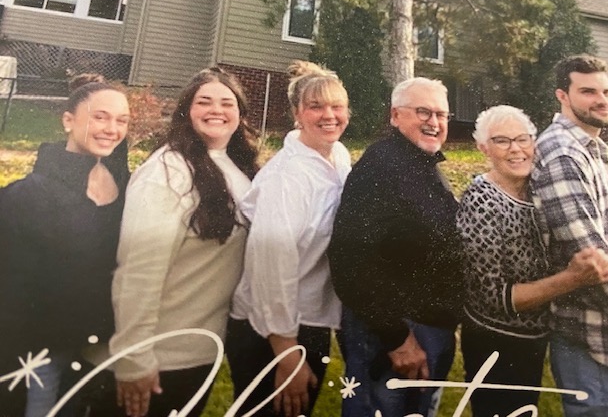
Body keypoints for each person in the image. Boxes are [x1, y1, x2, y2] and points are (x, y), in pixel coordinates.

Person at [108, 67, 259, 417]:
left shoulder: (237, 169)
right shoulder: (167, 172)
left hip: (201, 351)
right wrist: (135, 357)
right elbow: (139, 271)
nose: (216, 110)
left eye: (227, 103)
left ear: (239, 113)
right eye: (203, 101)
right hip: (160, 356)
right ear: (185, 110)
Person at [457, 104, 608, 417]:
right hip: (496, 341)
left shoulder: (540, 189)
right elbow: (497, 297)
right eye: (502, 141)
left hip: (537, 337)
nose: (516, 149)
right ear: (483, 148)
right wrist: (572, 278)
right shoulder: (480, 200)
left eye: (523, 139)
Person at [328, 77, 462, 417]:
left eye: (442, 115)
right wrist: (396, 338)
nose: (434, 122)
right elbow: (350, 261)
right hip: (393, 339)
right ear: (395, 115)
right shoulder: (381, 167)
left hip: (425, 330)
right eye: (423, 112)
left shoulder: (421, 164)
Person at [0, 75, 130, 417]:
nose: (112, 129)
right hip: (37, 351)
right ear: (68, 120)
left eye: (122, 120)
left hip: (98, 346)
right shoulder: (28, 196)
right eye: (100, 116)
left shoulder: (126, 184)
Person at [226, 60, 351, 417]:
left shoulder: (337, 156)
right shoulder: (287, 177)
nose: (329, 116)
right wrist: (287, 354)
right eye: (316, 107)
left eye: (337, 106)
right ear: (297, 113)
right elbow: (270, 268)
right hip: (270, 329)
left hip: (308, 320)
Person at [531, 54, 608, 416]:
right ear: (562, 95)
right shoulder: (563, 152)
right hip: (593, 341)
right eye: (588, 91)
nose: (603, 100)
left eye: (607, 91)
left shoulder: (589, 147)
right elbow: (592, 259)